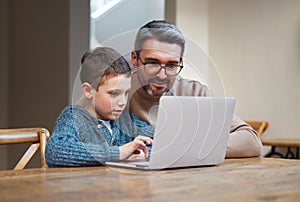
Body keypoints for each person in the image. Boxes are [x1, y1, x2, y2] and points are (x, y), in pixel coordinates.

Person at [122, 20, 262, 158]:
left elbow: (251, 141)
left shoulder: (195, 92)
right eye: (152, 63)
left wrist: (185, 149)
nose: (161, 75)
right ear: (135, 58)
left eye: (171, 65)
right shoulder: (113, 91)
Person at [45, 47, 154, 167]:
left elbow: (157, 139)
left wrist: (141, 152)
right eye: (114, 94)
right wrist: (118, 153)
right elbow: (55, 151)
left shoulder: (125, 120)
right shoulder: (75, 118)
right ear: (88, 91)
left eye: (126, 93)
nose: (122, 102)